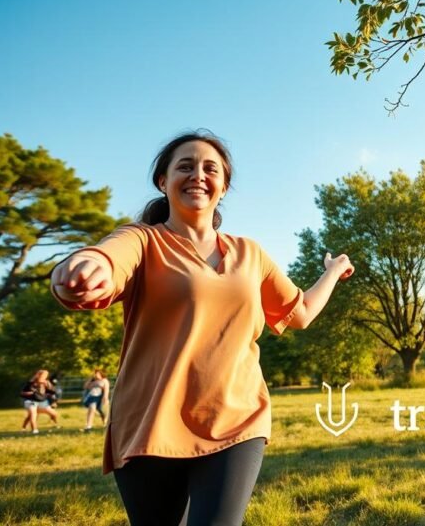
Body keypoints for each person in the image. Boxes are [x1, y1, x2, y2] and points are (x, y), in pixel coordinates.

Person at [51, 130, 354, 526]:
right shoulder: (143, 240)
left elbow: (301, 312)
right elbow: (108, 259)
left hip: (236, 419)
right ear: (163, 181)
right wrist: (84, 268)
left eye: (210, 169)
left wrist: (332, 271)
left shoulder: (250, 254)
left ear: (223, 187)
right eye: (185, 166)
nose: (198, 175)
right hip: (150, 422)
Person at [21, 369, 60, 433]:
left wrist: (54, 401)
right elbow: (22, 393)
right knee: (33, 415)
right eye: (41, 375)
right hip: (31, 401)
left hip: (42, 402)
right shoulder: (31, 383)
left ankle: (55, 424)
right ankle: (33, 430)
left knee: (54, 414)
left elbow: (52, 392)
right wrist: (30, 393)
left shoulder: (46, 383)